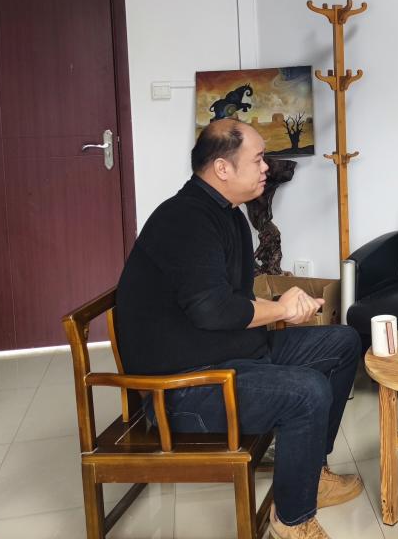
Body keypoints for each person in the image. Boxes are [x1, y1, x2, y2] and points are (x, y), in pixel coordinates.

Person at [114, 118, 362, 539]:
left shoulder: (225, 213)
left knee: (342, 342)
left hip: (230, 354)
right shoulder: (184, 221)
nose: (266, 167)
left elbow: (233, 300)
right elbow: (211, 310)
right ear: (222, 168)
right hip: (183, 388)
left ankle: (310, 472)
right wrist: (280, 308)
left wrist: (283, 307)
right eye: (259, 159)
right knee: (307, 391)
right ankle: (293, 519)